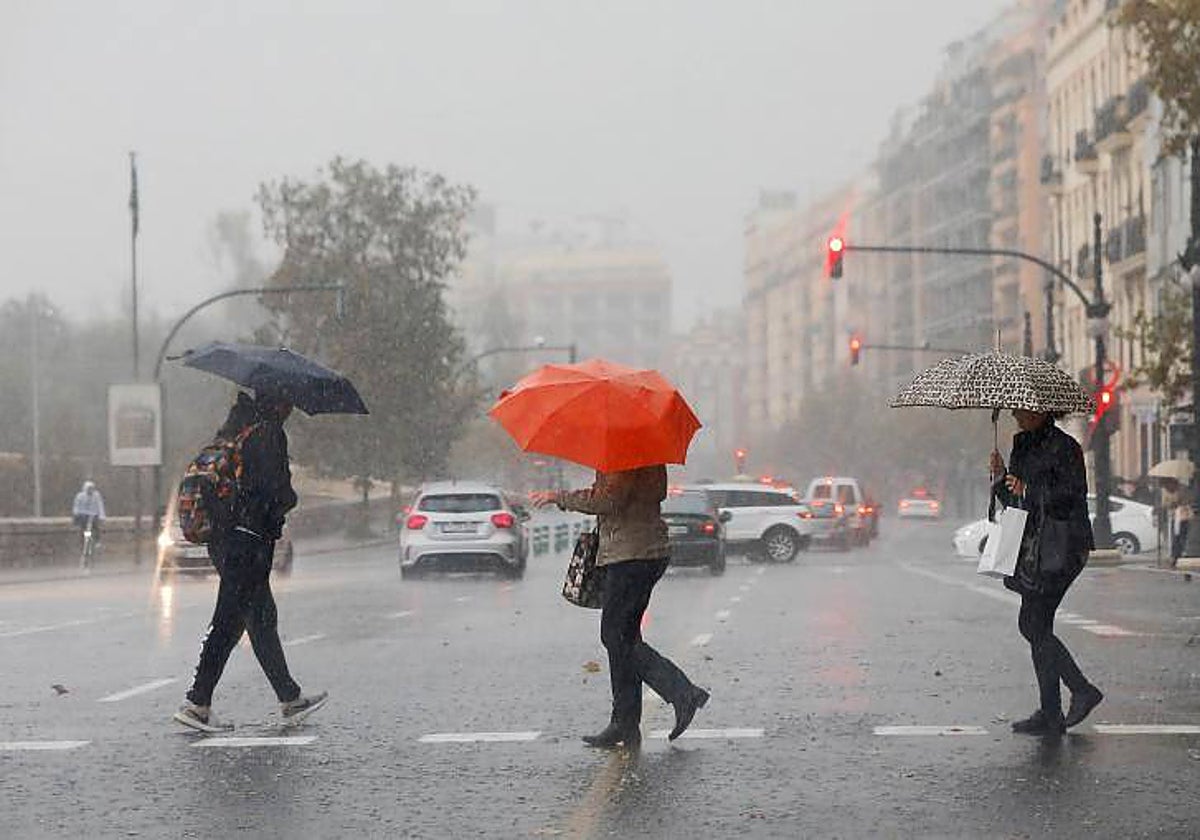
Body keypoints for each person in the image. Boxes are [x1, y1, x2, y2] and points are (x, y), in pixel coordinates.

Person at [174, 390, 326, 733]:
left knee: (259, 617)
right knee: (229, 622)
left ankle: (290, 699)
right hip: (248, 541)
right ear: (277, 404)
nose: (289, 409)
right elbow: (275, 492)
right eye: (287, 402)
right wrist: (289, 498)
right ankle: (197, 703)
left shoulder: (233, 432)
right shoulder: (268, 434)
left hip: (225, 539)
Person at [532, 465, 709, 748]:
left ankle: (681, 692)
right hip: (645, 551)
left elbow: (608, 500)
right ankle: (624, 724)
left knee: (615, 636)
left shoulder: (623, 456)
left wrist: (559, 497)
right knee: (625, 639)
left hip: (630, 555)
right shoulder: (645, 453)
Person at [990, 409, 1103, 736]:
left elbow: (1071, 495)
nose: (1014, 413)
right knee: (1037, 625)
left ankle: (1080, 691)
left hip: (1064, 545)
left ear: (1040, 411)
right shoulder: (1021, 443)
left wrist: (1028, 489)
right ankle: (1052, 712)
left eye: (1022, 409)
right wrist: (1001, 478)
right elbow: (1015, 501)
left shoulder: (1065, 447)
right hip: (1036, 546)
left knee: (1033, 623)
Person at [72, 480, 106, 547]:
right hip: (83, 514)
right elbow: (76, 506)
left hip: (93, 514)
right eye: (89, 489)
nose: (90, 491)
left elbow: (100, 505)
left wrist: (102, 516)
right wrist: (76, 514)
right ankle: (85, 540)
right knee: (85, 527)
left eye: (91, 489)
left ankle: (97, 541)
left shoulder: (96, 495)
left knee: (95, 526)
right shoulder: (80, 496)